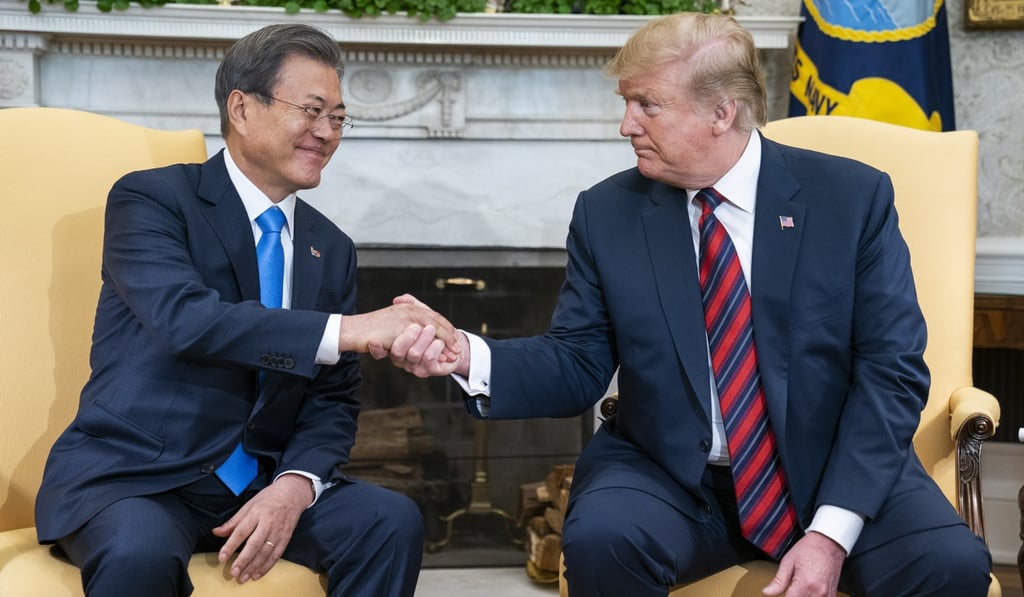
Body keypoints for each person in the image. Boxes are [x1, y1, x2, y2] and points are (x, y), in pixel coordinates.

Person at [377, 12, 993, 597]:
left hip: (833, 466)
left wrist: (831, 534)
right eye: (625, 103)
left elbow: (891, 374)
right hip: (669, 474)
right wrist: (466, 357)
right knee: (600, 540)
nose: (626, 124)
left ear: (722, 112)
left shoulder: (851, 200)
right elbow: (577, 362)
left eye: (647, 104)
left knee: (951, 567)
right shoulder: (608, 212)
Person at [34, 23, 458, 597]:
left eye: (337, 117)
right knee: (140, 552)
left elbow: (332, 397)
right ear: (241, 107)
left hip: (261, 483)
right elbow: (186, 320)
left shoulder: (330, 247)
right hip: (140, 478)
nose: (327, 133)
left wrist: (295, 485)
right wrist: (349, 329)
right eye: (311, 111)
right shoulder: (153, 199)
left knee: (389, 521)